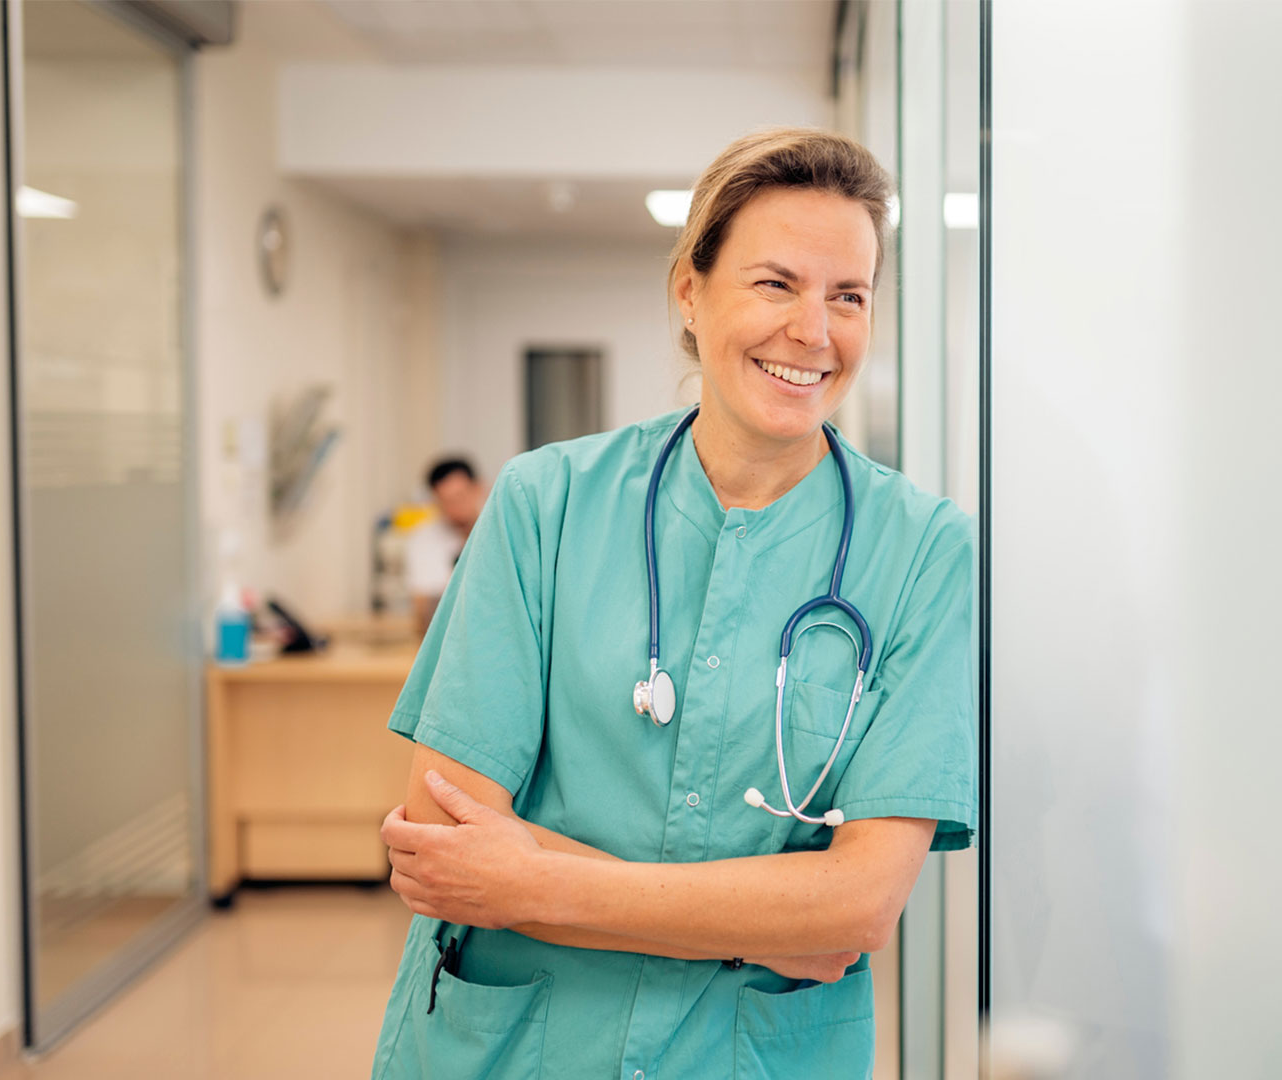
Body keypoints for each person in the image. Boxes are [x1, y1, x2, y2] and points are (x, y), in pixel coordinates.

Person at [370, 128, 977, 1079]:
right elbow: (445, 846)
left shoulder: (923, 551)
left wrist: (530, 880)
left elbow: (858, 907)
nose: (814, 332)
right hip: (517, 1049)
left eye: (848, 296)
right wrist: (765, 924)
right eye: (775, 284)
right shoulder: (546, 504)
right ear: (689, 293)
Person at [406, 456, 488, 637]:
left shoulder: (499, 531)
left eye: (460, 497)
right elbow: (426, 606)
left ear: (479, 488)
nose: (456, 507)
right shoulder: (423, 541)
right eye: (446, 501)